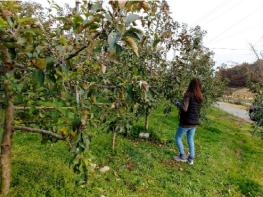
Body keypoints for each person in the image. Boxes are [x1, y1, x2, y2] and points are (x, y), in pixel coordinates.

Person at [174, 78, 203, 165]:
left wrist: (177, 103)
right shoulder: (200, 96)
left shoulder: (188, 95)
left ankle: (182, 156)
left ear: (191, 85)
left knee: (178, 137)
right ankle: (191, 159)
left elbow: (184, 108)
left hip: (186, 122)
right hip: (194, 122)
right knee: (190, 139)